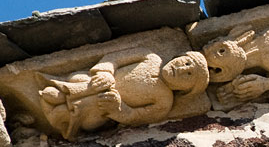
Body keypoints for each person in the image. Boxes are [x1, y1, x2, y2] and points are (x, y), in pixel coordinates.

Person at [35, 48, 209, 140]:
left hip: (100, 107)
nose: (181, 68)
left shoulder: (164, 102)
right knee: (67, 86)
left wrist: (118, 109)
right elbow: (114, 58)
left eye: (189, 74)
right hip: (90, 83)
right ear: (178, 55)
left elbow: (135, 116)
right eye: (186, 62)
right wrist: (105, 72)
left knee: (85, 115)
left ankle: (62, 119)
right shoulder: (151, 57)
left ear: (185, 90)